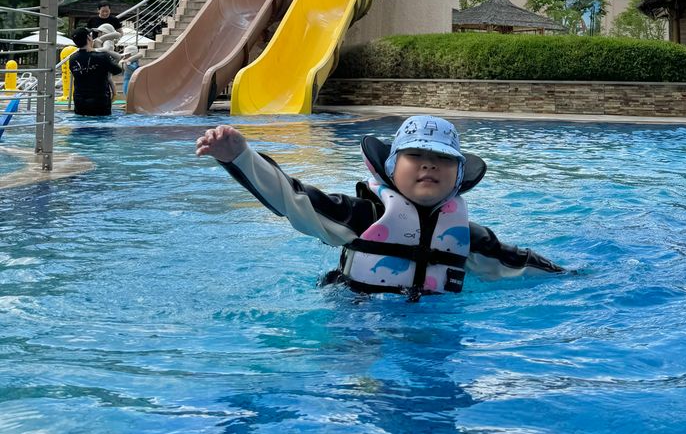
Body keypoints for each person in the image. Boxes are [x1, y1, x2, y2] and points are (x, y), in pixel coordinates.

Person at [195, 113, 564, 299]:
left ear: (459, 175)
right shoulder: (362, 216)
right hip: (356, 321)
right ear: (389, 167)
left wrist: (579, 278)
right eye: (415, 155)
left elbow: (522, 265)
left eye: (443, 159)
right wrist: (240, 157)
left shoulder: (465, 237)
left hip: (432, 326)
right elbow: (292, 198)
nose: (429, 164)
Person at [69, 27, 123, 117]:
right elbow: (118, 70)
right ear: (89, 38)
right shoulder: (102, 57)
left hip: (80, 101)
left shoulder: (73, 58)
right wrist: (99, 47)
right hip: (100, 101)